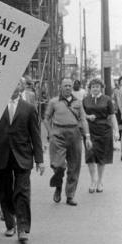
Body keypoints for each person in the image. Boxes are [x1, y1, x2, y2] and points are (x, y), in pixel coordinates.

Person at [0, 78, 45, 244]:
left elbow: (35, 135)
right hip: (2, 155)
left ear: (21, 87)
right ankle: (10, 223)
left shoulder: (29, 109)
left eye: (17, 83)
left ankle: (23, 228)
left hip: (23, 156)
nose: (13, 86)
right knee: (5, 191)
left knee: (22, 192)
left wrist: (39, 160)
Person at [44, 77, 91, 205]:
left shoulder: (78, 102)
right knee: (58, 165)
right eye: (65, 85)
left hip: (74, 134)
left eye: (70, 86)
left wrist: (87, 136)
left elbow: (83, 119)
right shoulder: (54, 102)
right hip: (58, 134)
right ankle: (58, 185)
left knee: (74, 166)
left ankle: (70, 195)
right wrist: (50, 132)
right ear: (61, 87)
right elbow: (46, 118)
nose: (68, 88)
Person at [83, 77, 119, 192]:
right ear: (90, 88)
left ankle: (100, 182)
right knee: (90, 156)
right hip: (90, 131)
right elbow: (81, 116)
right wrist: (88, 117)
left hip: (104, 131)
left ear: (101, 88)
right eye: (93, 87)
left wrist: (116, 131)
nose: (95, 89)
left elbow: (112, 116)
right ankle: (93, 180)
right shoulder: (85, 100)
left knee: (101, 158)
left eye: (97, 87)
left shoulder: (107, 99)